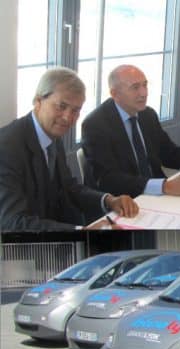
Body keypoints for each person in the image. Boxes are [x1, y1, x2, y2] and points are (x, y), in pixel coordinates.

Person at [0, 67, 138, 231]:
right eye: (61, 106)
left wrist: (109, 200)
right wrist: (80, 232)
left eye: (75, 110)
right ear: (38, 101)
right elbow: (13, 222)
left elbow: (67, 187)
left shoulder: (51, 134)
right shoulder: (7, 147)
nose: (67, 117)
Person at [81, 65, 180, 198]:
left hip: (156, 195)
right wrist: (164, 186)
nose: (143, 93)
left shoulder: (147, 114)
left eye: (145, 85)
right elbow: (108, 179)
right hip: (122, 201)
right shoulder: (95, 125)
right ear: (115, 94)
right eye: (135, 87)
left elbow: (170, 152)